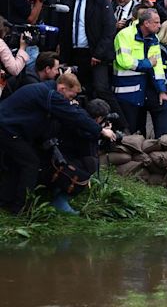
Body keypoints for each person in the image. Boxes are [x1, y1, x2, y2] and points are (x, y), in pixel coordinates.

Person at [0, 72, 116, 214]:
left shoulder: (46, 90)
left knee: (16, 164)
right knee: (31, 164)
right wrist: (101, 131)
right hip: (8, 129)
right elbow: (73, 115)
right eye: (71, 96)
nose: (70, 100)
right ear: (62, 89)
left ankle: (5, 201)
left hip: (8, 127)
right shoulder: (51, 95)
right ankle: (20, 208)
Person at [59, 0, 128, 132]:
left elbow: (109, 28)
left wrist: (99, 53)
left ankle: (123, 126)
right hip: (75, 52)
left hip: (96, 53)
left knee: (101, 88)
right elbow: (65, 28)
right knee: (77, 90)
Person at [113, 8, 167, 137]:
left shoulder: (154, 38)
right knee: (132, 129)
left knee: (164, 105)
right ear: (146, 23)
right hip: (127, 91)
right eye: (156, 22)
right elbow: (124, 62)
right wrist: (147, 63)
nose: (160, 26)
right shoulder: (125, 35)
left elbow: (158, 66)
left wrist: (162, 90)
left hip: (146, 88)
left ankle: (163, 143)